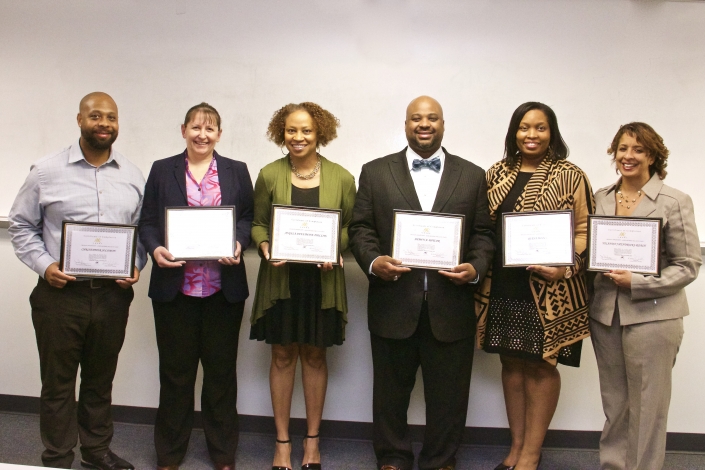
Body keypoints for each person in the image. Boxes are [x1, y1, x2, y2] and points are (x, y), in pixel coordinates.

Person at [349, 96, 494, 470]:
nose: (424, 124)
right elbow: (361, 227)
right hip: (393, 301)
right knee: (390, 393)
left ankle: (440, 459)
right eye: (416, 118)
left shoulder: (472, 175)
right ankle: (393, 457)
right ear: (406, 124)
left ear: (443, 124)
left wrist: (475, 268)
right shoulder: (375, 172)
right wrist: (373, 260)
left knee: (449, 394)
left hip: (451, 303)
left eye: (432, 118)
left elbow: (483, 234)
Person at [8, 92, 145, 470]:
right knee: (58, 385)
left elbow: (140, 233)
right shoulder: (46, 171)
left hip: (112, 298)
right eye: (96, 116)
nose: (104, 123)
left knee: (100, 382)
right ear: (80, 120)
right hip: (59, 295)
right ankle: (57, 458)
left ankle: (97, 453)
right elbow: (20, 224)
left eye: (111, 118)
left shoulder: (133, 176)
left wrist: (135, 263)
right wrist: (44, 264)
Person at [476, 102, 594, 470]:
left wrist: (565, 266)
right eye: (524, 127)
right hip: (503, 285)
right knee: (511, 363)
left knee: (541, 365)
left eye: (540, 128)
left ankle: (531, 452)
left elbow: (584, 231)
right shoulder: (496, 173)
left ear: (552, 132)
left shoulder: (571, 175)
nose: (531, 135)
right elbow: (483, 226)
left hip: (549, 290)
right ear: (514, 132)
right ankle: (515, 446)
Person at [138, 103, 254, 470]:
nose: (202, 134)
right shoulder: (162, 170)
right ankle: (169, 454)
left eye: (210, 128)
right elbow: (148, 221)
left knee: (221, 374)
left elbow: (248, 218)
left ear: (219, 133)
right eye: (196, 127)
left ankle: (222, 453)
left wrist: (238, 242)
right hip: (176, 291)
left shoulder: (237, 171)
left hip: (223, 290)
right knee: (175, 374)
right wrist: (155, 248)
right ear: (183, 129)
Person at [250, 102, 356, 470]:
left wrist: (336, 247)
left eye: (306, 131)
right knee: (282, 356)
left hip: (321, 281)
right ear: (282, 132)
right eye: (291, 131)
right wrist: (265, 247)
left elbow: (350, 228)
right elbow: (258, 225)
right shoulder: (268, 174)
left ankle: (312, 441)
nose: (298, 138)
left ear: (320, 133)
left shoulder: (342, 178)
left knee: (314, 355)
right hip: (281, 281)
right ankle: (282, 442)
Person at [590, 122, 700, 470]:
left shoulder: (674, 201)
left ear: (653, 156)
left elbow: (688, 265)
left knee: (648, 405)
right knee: (615, 402)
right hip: (606, 315)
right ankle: (613, 466)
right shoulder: (601, 198)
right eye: (622, 149)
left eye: (638, 150)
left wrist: (638, 282)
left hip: (654, 317)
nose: (628, 156)